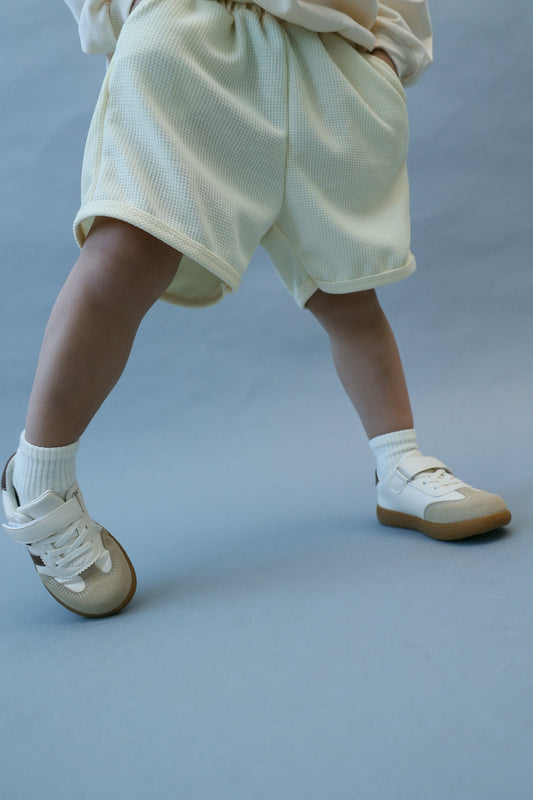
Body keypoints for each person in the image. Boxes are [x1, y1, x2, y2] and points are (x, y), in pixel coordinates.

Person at [1, 0, 511, 619]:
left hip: (325, 50)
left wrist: (386, 50)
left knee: (347, 288)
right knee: (126, 255)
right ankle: (41, 476)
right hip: (193, 37)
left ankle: (399, 464)